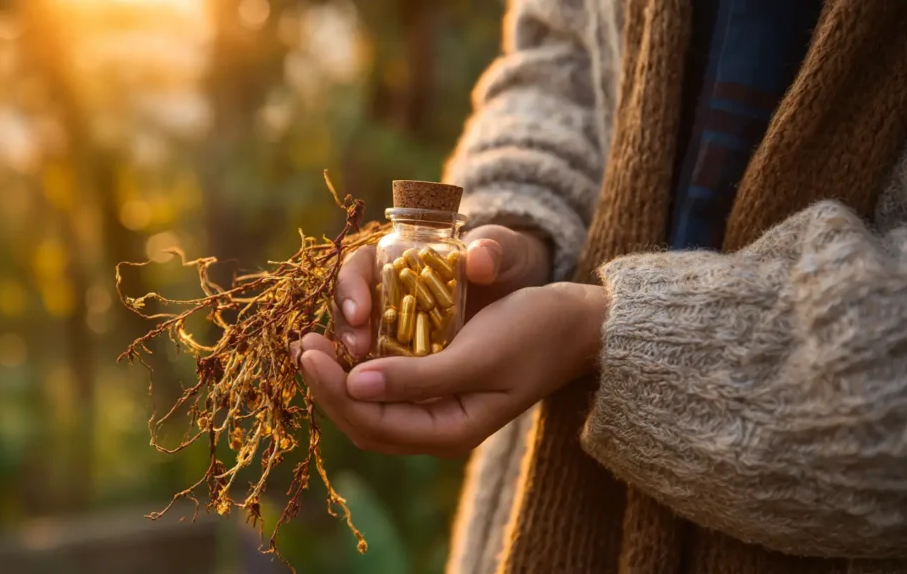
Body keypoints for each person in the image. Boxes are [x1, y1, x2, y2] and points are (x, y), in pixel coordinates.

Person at [295, 0, 907, 572]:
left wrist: (604, 332)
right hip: (546, 497)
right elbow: (555, 61)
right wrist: (518, 233)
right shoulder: (426, 251)